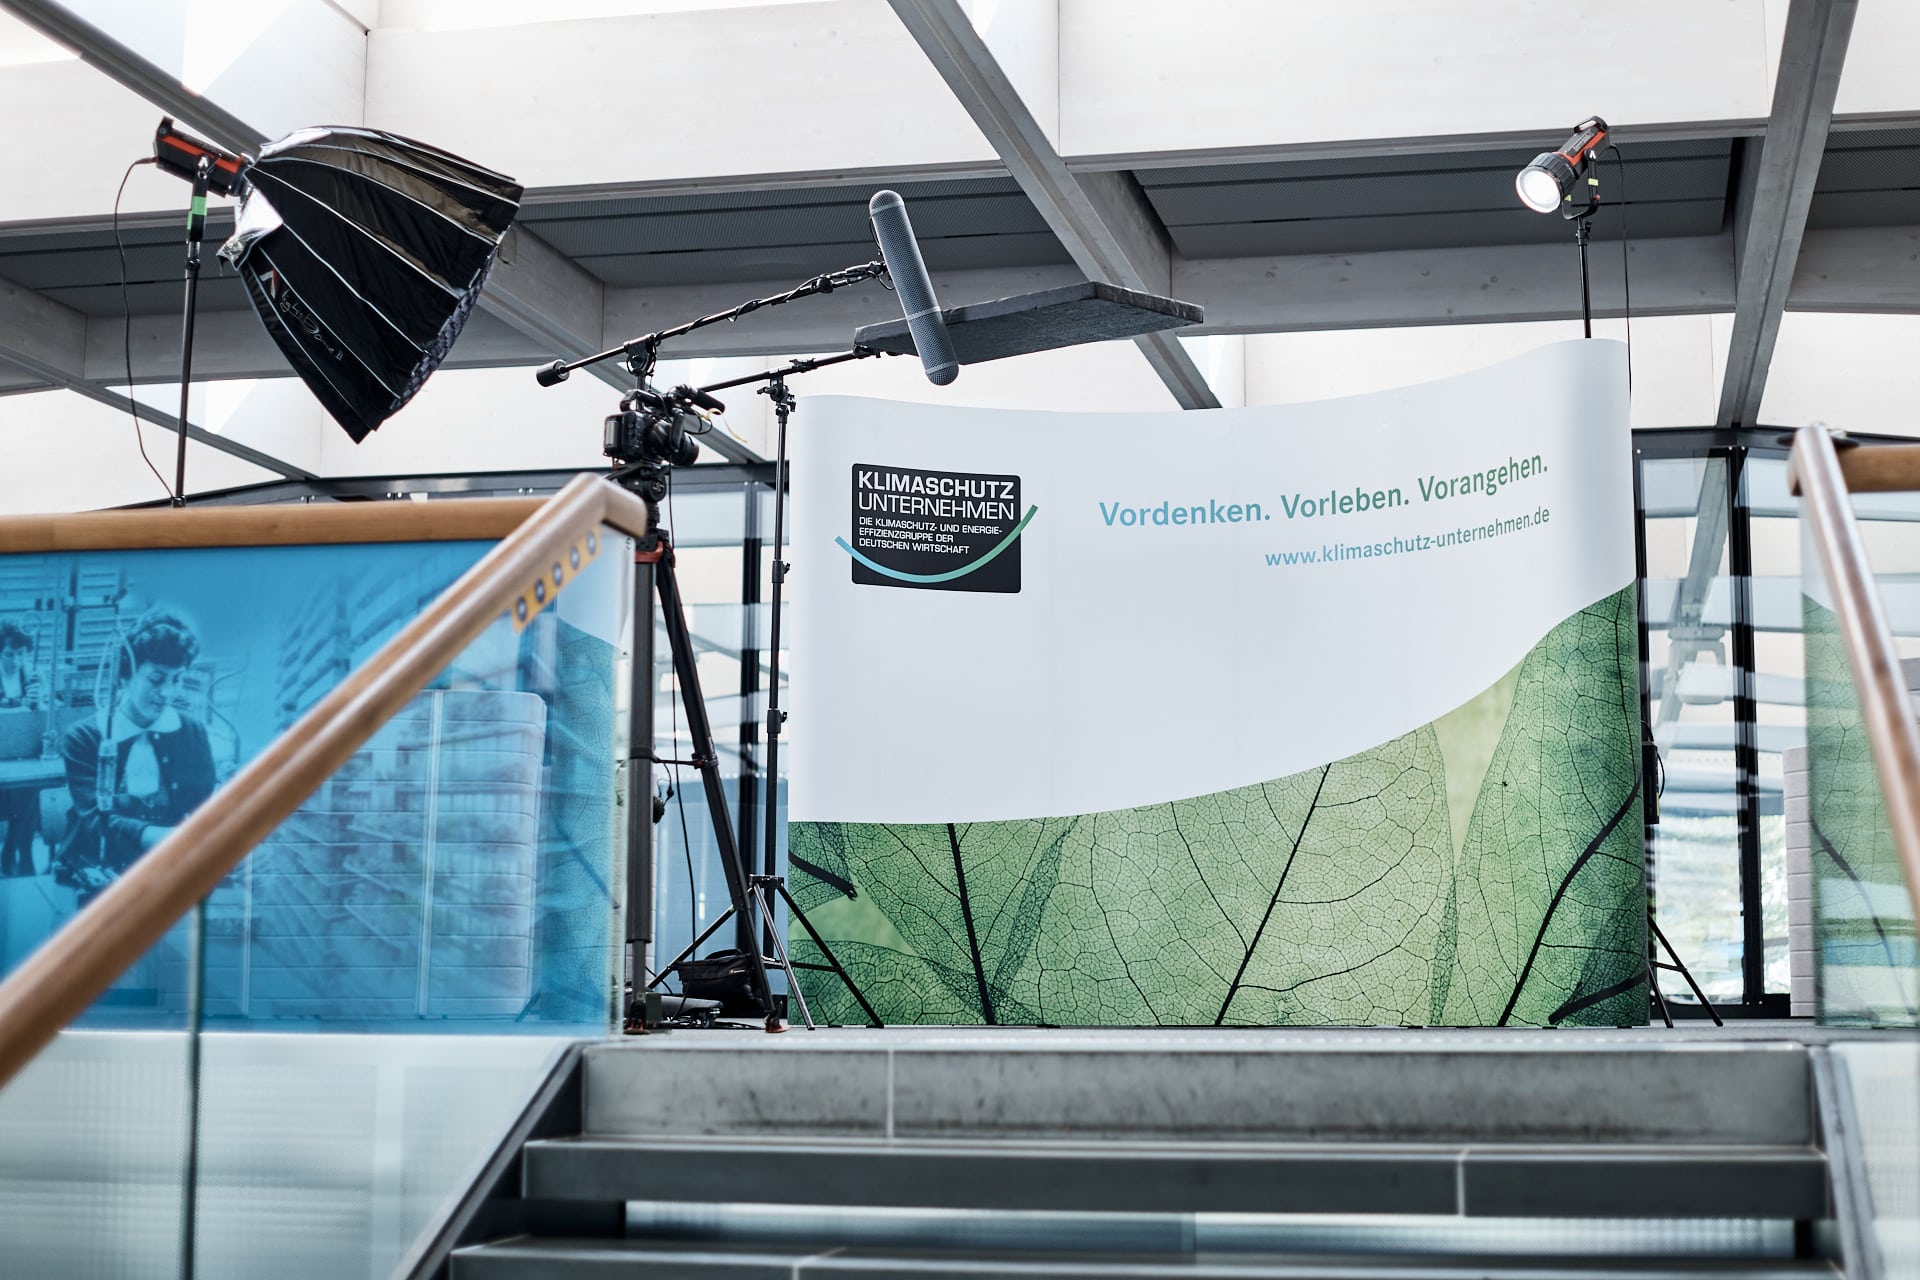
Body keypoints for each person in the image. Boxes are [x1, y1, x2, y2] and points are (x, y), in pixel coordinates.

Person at [56, 612, 217, 903]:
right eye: (156, 679)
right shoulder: (84, 737)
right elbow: (94, 819)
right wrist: (164, 837)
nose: (167, 692)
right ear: (125, 675)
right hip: (93, 872)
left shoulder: (192, 732)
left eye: (177, 679)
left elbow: (205, 809)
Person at [0, 621, 45, 877]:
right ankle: (13, 853)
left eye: (21, 654)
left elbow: (42, 712)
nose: (16, 661)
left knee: (29, 790)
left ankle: (15, 851)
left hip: (21, 752)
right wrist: (18, 702)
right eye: (9, 654)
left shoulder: (32, 674)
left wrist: (37, 702)